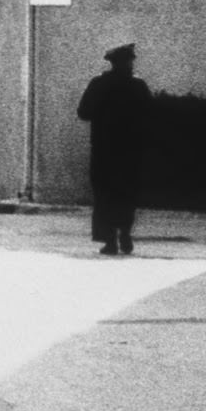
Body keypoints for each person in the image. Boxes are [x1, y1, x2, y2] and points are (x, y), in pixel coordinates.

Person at [76, 43, 152, 255]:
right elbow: (151, 114)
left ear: (112, 63)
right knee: (128, 193)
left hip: (104, 148)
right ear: (129, 62)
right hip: (131, 149)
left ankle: (110, 240)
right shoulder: (138, 86)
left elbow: (83, 112)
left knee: (104, 194)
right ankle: (125, 234)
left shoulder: (99, 84)